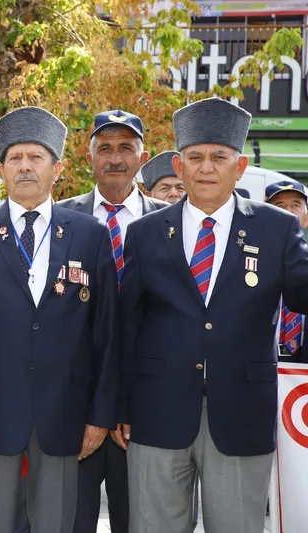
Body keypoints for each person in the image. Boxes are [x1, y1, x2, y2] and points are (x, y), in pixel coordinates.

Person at [119, 97, 308, 533]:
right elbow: (127, 324)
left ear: (239, 167)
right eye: (195, 157)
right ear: (178, 165)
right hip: (156, 412)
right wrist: (119, 404)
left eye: (219, 158)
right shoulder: (145, 232)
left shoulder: (277, 228)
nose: (206, 168)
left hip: (241, 414)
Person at [0, 106, 120, 533]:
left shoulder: (90, 235)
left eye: (35, 157)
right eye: (14, 158)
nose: (24, 166)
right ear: (2, 169)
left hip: (64, 413)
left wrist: (100, 414)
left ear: (58, 169)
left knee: (55, 522)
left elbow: (105, 334)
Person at [57, 109, 166, 533]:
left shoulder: (170, 222)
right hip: (74, 402)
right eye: (104, 148)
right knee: (70, 518)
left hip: (146, 406)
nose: (115, 158)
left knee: (138, 520)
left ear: (143, 157)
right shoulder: (60, 219)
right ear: (89, 158)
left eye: (125, 148)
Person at [265, 181, 308, 364]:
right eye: (280, 206)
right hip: (258, 367)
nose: (289, 212)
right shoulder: (247, 261)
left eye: (296, 205)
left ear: (307, 217)